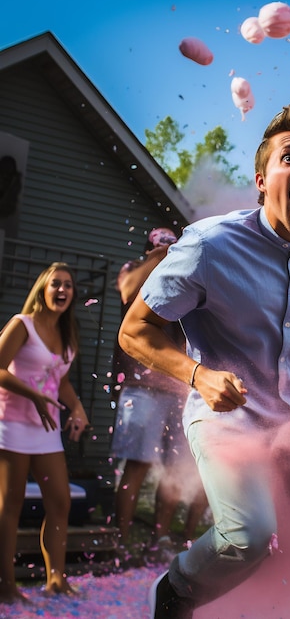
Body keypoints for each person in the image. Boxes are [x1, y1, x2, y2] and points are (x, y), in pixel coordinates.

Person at [118, 103, 290, 619]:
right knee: (249, 534)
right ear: (261, 179)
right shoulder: (209, 245)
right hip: (227, 414)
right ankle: (177, 591)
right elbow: (134, 330)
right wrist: (199, 375)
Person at [110, 227, 208, 559]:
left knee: (175, 469)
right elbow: (126, 291)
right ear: (149, 248)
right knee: (136, 465)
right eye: (160, 242)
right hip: (141, 389)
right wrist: (154, 260)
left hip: (178, 390)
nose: (168, 246)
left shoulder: (186, 276)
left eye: (172, 241)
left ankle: (160, 540)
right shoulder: (132, 270)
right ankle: (121, 541)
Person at [0, 262, 90, 603]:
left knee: (60, 502)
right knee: (10, 505)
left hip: (46, 428)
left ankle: (55, 579)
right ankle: (6, 586)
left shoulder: (69, 334)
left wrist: (77, 407)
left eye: (68, 285)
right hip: (11, 424)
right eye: (55, 284)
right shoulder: (22, 325)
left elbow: (61, 381)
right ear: (43, 289)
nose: (62, 290)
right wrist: (33, 394)